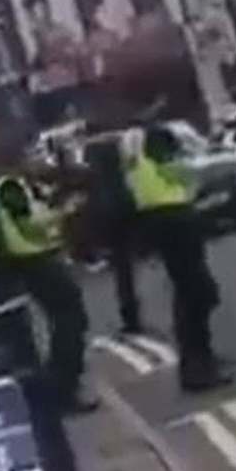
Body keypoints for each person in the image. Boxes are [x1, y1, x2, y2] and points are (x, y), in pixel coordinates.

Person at [123, 125, 235, 391]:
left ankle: (201, 359)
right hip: (173, 220)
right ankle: (196, 367)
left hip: (166, 221)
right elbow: (197, 169)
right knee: (195, 293)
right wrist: (235, 159)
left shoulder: (137, 160)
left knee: (192, 292)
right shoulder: (156, 160)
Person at [0, 174, 98, 414]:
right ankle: (63, 387)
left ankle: (63, 385)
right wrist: (62, 213)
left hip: (36, 261)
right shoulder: (9, 186)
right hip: (34, 261)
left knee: (68, 319)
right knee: (70, 320)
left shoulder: (12, 185)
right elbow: (28, 224)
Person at [83, 138, 143, 334]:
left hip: (107, 214)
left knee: (122, 269)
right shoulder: (116, 149)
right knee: (126, 267)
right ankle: (132, 314)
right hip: (124, 208)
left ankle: (130, 316)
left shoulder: (92, 158)